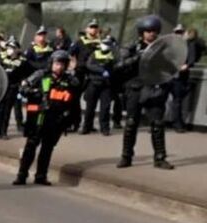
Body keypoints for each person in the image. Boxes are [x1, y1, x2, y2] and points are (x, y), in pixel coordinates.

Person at [13, 50, 79, 186]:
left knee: (47, 149)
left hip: (56, 120)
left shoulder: (71, 81)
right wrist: (35, 93)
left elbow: (74, 102)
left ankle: (41, 175)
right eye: (57, 63)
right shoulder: (40, 75)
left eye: (62, 64)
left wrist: (72, 120)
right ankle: (22, 175)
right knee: (31, 146)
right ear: (51, 63)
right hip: (38, 117)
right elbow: (22, 89)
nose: (59, 67)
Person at [115, 16, 173, 169]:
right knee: (131, 123)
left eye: (154, 31)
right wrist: (138, 57)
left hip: (154, 89)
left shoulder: (162, 49)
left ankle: (160, 158)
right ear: (142, 32)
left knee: (157, 124)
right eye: (148, 31)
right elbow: (120, 66)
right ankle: (126, 157)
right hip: (135, 89)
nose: (151, 34)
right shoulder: (131, 47)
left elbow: (170, 69)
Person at [81, 36, 116, 135]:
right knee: (90, 107)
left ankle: (105, 128)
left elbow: (117, 66)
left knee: (105, 108)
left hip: (106, 84)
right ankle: (86, 127)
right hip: (94, 83)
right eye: (105, 44)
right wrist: (102, 70)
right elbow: (89, 65)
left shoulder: (113, 55)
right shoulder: (95, 54)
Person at [169, 25, 199, 132]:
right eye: (176, 32)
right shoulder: (169, 44)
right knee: (161, 100)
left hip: (179, 77)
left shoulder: (188, 45)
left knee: (177, 100)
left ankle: (177, 124)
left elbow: (191, 60)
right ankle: (158, 122)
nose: (178, 34)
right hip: (168, 76)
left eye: (180, 32)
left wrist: (186, 66)